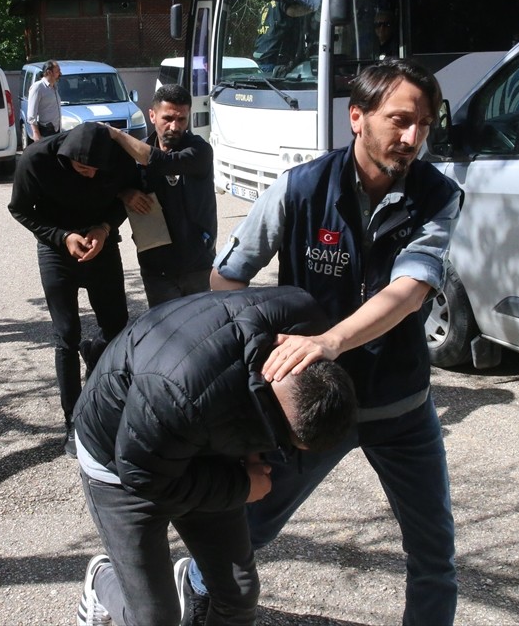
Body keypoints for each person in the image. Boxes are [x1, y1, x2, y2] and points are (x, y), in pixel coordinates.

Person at [183, 59, 463, 626]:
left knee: (434, 554)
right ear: (357, 117)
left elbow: (410, 292)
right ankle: (193, 587)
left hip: (401, 407)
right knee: (247, 526)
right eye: (399, 120)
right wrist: (263, 359)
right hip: (310, 405)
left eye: (424, 124)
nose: (412, 138)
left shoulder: (438, 195)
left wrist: (330, 340)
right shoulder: (301, 188)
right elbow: (227, 277)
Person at [73, 287, 358, 626]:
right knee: (153, 618)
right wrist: (241, 486)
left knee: (238, 592)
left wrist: (251, 458)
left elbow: (246, 383)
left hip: (197, 431)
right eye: (288, 443)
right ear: (273, 416)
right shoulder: (173, 393)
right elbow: (144, 478)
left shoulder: (306, 327)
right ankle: (101, 581)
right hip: (121, 460)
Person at [8, 123, 134, 457]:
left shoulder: (118, 158)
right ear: (66, 158)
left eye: (97, 169)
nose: (91, 175)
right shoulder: (35, 159)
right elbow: (19, 209)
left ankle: (112, 404)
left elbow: (129, 196)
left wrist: (105, 227)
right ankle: (73, 421)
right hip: (56, 249)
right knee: (66, 336)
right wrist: (62, 237)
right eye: (82, 168)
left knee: (117, 329)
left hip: (102, 244)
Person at [106, 84, 217, 307]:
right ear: (152, 114)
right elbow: (111, 183)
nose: (175, 127)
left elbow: (161, 162)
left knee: (199, 329)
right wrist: (125, 193)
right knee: (164, 330)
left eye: (182, 120)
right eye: (167, 118)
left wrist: (117, 134)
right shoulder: (137, 152)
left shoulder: (199, 150)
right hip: (156, 266)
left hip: (196, 263)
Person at [26, 59, 63, 142]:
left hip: (56, 130)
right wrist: (36, 133)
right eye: (57, 71)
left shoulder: (54, 87)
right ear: (49, 72)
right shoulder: (38, 87)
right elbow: (31, 114)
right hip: (45, 132)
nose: (60, 74)